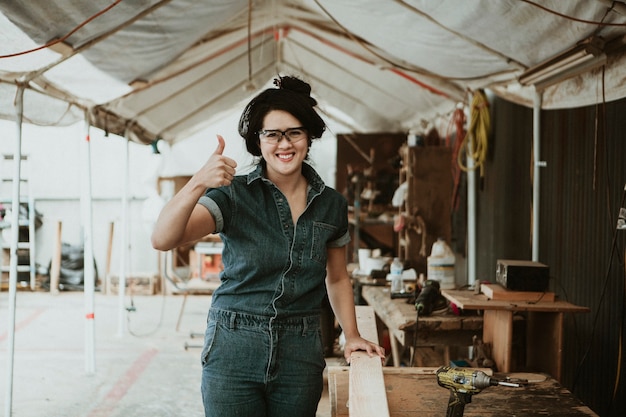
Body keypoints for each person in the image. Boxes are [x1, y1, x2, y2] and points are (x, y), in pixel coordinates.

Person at [151, 75, 385, 417]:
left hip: (300, 350)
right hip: (233, 345)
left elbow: (336, 278)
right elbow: (163, 238)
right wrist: (198, 182)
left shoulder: (331, 205)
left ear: (308, 136)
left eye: (294, 132)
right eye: (271, 134)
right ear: (257, 142)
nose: (284, 144)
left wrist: (351, 335)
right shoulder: (233, 195)